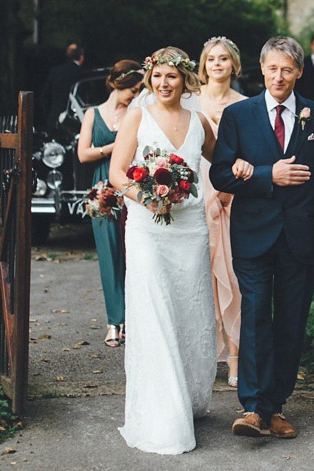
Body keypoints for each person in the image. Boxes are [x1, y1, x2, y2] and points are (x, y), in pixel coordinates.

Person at [210, 36, 314, 440]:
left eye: (287, 69)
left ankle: (277, 406)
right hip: (253, 235)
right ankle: (254, 408)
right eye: (272, 68)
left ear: (299, 72)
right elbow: (220, 174)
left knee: (292, 322)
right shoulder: (239, 115)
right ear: (262, 70)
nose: (279, 76)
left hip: (301, 237)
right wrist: (263, 174)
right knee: (255, 317)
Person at [108, 47, 218, 455]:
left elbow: (220, 163)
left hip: (189, 230)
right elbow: (117, 173)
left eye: (172, 76)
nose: (163, 84)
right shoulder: (138, 116)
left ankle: (187, 397)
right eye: (157, 77)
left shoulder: (199, 121)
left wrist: (245, 170)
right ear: (149, 79)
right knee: (154, 312)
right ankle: (161, 412)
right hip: (147, 231)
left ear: (185, 79)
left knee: (188, 313)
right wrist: (146, 197)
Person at [76, 59, 142, 348]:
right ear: (120, 86)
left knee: (133, 254)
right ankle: (113, 321)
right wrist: (115, 147)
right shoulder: (93, 114)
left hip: (130, 184)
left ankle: (132, 318)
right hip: (102, 187)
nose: (138, 94)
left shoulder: (137, 113)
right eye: (135, 89)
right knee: (108, 254)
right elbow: (83, 154)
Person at [196, 36, 247, 389]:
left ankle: (234, 357)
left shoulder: (245, 105)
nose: (217, 64)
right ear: (203, 65)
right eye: (211, 59)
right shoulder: (187, 101)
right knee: (197, 278)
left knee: (231, 276)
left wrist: (229, 190)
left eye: (223, 59)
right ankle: (199, 358)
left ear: (234, 65)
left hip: (229, 197)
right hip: (194, 194)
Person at [40, 43, 86, 129]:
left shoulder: (55, 72)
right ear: (81, 57)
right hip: (75, 119)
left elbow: (44, 97)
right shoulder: (81, 74)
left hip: (54, 118)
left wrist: (50, 116)